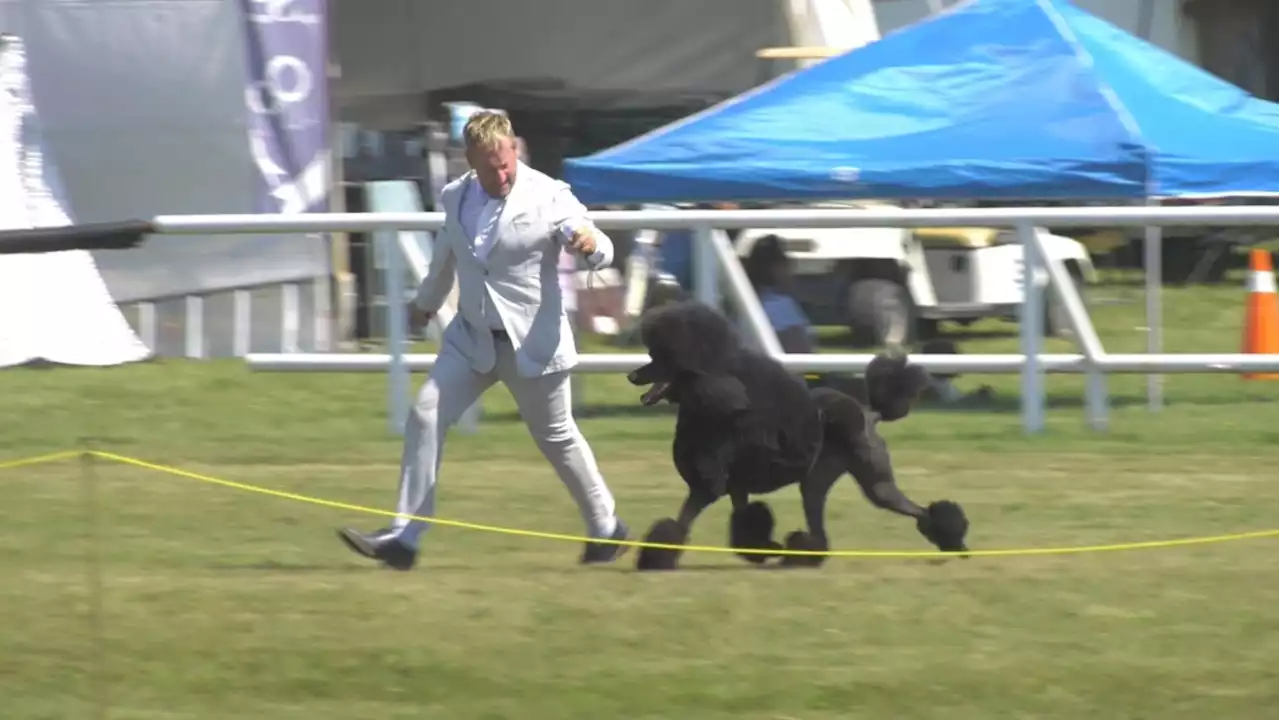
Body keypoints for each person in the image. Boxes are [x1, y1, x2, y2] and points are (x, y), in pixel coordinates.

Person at [337, 111, 628, 570]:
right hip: (470, 339)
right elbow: (444, 260)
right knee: (425, 415)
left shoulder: (550, 196)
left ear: (515, 148)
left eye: (506, 162)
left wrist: (590, 244)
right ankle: (405, 537)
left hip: (532, 342)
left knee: (556, 438)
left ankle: (606, 526)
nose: (501, 174)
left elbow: (600, 245)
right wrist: (424, 303)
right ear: (470, 161)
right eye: (489, 167)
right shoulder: (455, 197)